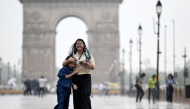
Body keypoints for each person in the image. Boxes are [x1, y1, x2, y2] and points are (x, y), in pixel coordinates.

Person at [62, 38, 95, 109]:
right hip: (76, 78)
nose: (79, 45)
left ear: (84, 45)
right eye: (77, 44)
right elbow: (63, 63)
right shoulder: (72, 55)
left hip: (86, 78)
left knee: (86, 97)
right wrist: (69, 61)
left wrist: (86, 63)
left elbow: (92, 67)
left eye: (80, 44)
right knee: (77, 98)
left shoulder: (88, 56)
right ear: (75, 46)